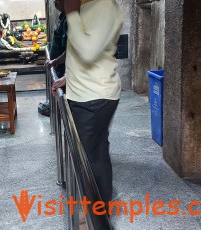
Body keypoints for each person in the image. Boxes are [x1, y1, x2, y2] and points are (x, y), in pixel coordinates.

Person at [52, 0, 124, 207]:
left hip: (93, 97)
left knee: (85, 159)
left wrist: (72, 12)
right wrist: (69, 77)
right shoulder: (89, 6)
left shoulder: (104, 6)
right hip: (87, 92)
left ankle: (92, 217)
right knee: (95, 154)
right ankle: (98, 211)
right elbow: (84, 49)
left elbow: (88, 51)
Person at [39, 0, 68, 117]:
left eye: (58, 1)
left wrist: (54, 61)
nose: (55, 3)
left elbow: (70, 51)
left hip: (65, 69)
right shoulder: (64, 18)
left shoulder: (70, 20)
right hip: (61, 69)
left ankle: (62, 112)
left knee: (64, 95)